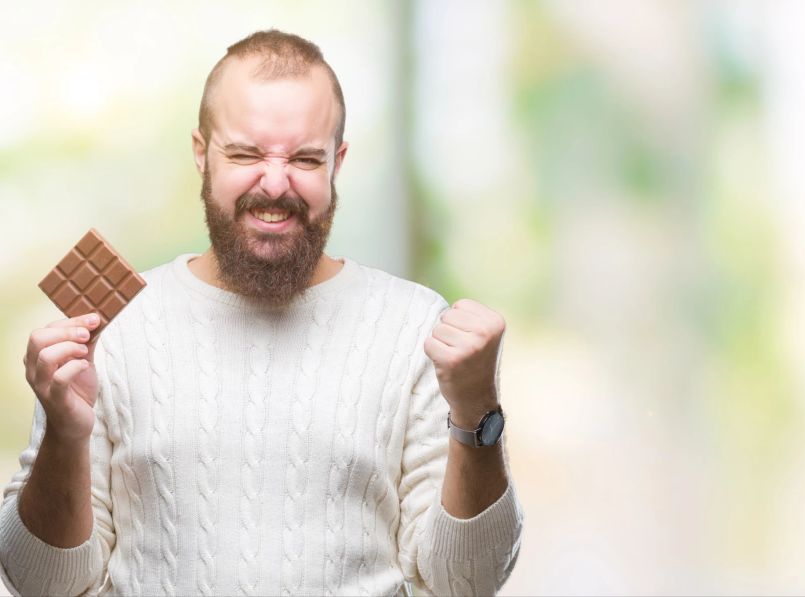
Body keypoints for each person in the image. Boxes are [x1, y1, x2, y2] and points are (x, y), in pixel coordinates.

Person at [0, 30, 522, 596]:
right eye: (246, 154)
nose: (275, 184)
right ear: (202, 154)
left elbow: (467, 584)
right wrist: (63, 436)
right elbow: (39, 585)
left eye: (304, 158)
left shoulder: (412, 326)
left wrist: (476, 416)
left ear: (337, 163)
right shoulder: (115, 331)